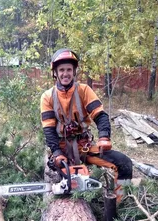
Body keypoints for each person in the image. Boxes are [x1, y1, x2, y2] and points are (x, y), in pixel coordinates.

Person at [40, 48, 132, 202]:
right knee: (67, 187)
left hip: (84, 147)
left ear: (74, 71)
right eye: (61, 70)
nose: (65, 74)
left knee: (124, 163)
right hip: (62, 150)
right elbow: (48, 129)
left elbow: (100, 115)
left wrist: (104, 137)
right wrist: (56, 152)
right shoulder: (47, 96)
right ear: (55, 72)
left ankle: (121, 204)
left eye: (69, 69)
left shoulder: (84, 90)